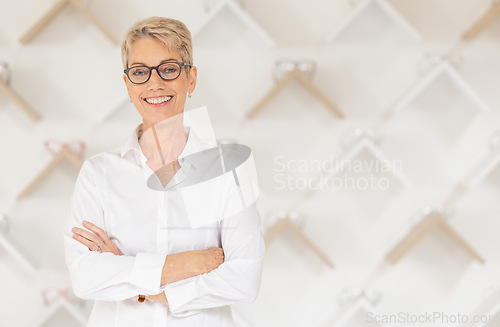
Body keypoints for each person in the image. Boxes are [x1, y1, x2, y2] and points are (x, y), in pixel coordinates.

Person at [63, 16, 265, 326]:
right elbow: (85, 277)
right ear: (128, 84)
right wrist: (188, 263)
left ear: (191, 78)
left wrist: (131, 276)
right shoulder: (98, 174)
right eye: (140, 72)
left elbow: (244, 278)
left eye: (169, 69)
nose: (155, 84)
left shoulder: (227, 172)